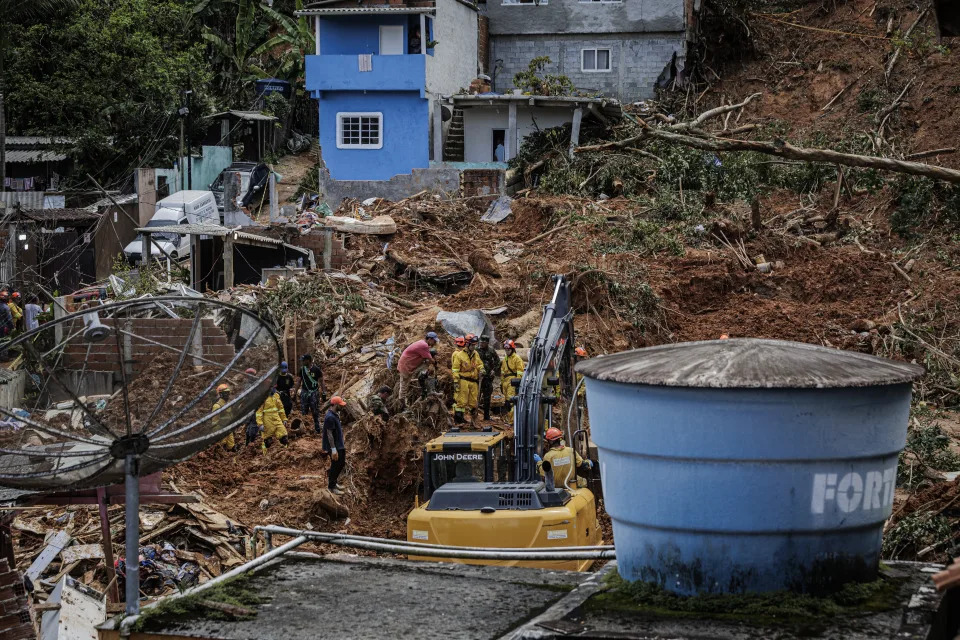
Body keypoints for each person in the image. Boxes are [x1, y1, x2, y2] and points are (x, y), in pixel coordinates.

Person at [397, 331, 438, 404]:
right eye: (434, 341)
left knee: (404, 385)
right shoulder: (424, 345)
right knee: (404, 386)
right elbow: (430, 359)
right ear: (430, 339)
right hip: (406, 366)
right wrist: (435, 363)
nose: (435, 343)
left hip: (407, 364)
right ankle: (402, 405)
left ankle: (425, 386)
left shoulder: (422, 343)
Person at [451, 334, 484, 424]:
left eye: (475, 345)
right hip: (463, 380)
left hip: (473, 381)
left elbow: (479, 364)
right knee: (461, 401)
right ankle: (458, 420)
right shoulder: (459, 355)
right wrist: (456, 381)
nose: (474, 347)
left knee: (474, 402)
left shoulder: (475, 354)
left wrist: (482, 369)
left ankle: (473, 420)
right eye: (472, 345)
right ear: (467, 344)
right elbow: (455, 370)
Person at [295, 353, 327, 434]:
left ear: (308, 361)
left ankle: (317, 429)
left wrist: (324, 392)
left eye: (303, 361)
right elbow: (298, 381)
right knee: (303, 411)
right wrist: (294, 392)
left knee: (315, 411)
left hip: (314, 393)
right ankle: (303, 430)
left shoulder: (316, 369)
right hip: (304, 393)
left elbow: (321, 381)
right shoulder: (302, 370)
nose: (302, 362)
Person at [323, 396, 348, 495]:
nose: (342, 407)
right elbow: (329, 434)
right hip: (334, 446)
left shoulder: (334, 414)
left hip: (339, 444)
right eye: (340, 405)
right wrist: (333, 449)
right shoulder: (330, 417)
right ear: (336, 405)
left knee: (340, 463)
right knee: (336, 465)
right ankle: (331, 486)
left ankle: (334, 482)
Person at [257, 383, 289, 449]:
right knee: (268, 441)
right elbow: (259, 412)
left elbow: (281, 408)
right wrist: (260, 424)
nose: (274, 389)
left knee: (284, 437)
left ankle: (285, 452)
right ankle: (265, 455)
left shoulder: (276, 395)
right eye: (273, 388)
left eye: (275, 388)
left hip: (276, 418)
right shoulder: (263, 397)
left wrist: (284, 419)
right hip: (267, 420)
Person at [477, 335, 501, 422]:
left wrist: (494, 370)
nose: (481, 344)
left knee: (487, 398)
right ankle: (474, 415)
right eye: (481, 342)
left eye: (483, 342)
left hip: (488, 378)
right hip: (478, 378)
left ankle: (486, 416)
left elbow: (498, 361)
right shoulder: (476, 350)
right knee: (476, 397)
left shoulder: (491, 350)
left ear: (487, 343)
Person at [500, 340, 524, 423]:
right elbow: (502, 373)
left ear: (512, 349)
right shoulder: (504, 360)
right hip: (506, 382)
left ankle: (512, 421)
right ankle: (510, 420)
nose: (507, 351)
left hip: (513, 382)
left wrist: (517, 383)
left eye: (508, 350)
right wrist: (502, 383)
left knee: (511, 401)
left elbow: (520, 372)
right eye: (506, 350)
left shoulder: (517, 358)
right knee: (507, 402)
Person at [213, 384, 239, 452]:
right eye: (225, 393)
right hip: (222, 429)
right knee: (222, 446)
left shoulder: (228, 404)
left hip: (229, 428)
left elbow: (230, 415)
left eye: (228, 393)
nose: (227, 395)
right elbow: (214, 421)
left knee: (232, 446)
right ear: (221, 394)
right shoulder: (217, 406)